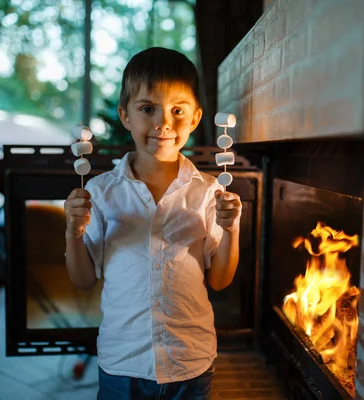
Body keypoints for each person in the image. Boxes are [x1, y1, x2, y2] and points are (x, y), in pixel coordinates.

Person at [63, 47, 242, 400]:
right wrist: (73, 231)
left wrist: (232, 228)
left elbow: (220, 280)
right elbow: (83, 280)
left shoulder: (209, 192)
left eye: (178, 110)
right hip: (122, 363)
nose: (163, 123)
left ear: (195, 119)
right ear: (125, 116)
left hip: (190, 360)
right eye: (148, 109)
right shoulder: (100, 192)